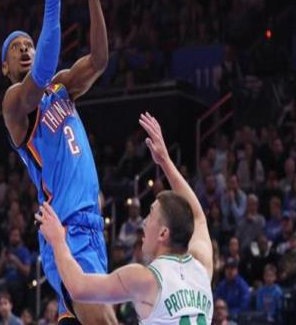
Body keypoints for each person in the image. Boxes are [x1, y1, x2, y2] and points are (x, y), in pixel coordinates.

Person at [1, 0, 114, 324]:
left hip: (91, 230)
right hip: (65, 230)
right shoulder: (15, 104)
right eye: (16, 49)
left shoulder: (62, 87)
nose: (25, 49)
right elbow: (44, 69)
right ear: (5, 68)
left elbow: (99, 60)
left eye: (29, 44)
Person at [36, 113, 214, 324]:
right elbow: (197, 217)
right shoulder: (201, 267)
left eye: (151, 215)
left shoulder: (145, 279)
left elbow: (78, 288)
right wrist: (165, 162)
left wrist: (58, 241)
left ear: (163, 233)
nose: (144, 222)